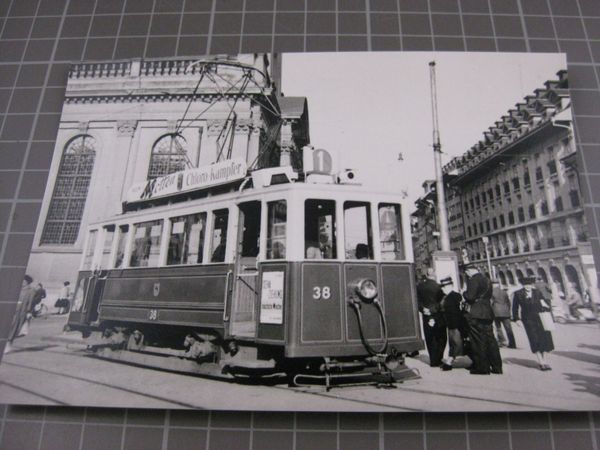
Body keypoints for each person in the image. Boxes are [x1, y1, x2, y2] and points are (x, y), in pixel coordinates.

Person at [462, 264, 502, 375]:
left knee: (477, 341)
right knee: (490, 340)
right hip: (488, 312)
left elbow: (470, 296)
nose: (467, 275)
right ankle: (497, 367)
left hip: (476, 313)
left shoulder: (473, 280)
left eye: (467, 272)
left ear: (469, 271)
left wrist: (464, 293)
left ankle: (482, 368)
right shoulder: (487, 279)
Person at [512, 276, 554, 371]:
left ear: (532, 285)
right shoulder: (518, 294)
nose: (528, 286)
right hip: (528, 320)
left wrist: (546, 307)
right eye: (526, 285)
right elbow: (515, 308)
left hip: (540, 318)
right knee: (534, 339)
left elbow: (545, 303)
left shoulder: (537, 292)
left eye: (529, 284)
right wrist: (516, 319)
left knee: (544, 338)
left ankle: (545, 361)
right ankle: (541, 362)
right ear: (523, 285)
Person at [416, 268, 447, 367]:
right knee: (441, 337)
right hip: (438, 314)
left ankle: (433, 360)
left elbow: (417, 300)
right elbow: (442, 302)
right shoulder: (439, 287)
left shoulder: (420, 286)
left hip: (426, 315)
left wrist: (422, 309)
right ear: (434, 274)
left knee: (430, 337)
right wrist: (433, 309)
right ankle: (439, 358)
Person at [439, 277, 468, 371]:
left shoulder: (455, 296)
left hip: (456, 324)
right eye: (442, 287)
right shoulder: (446, 297)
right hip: (450, 324)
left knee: (456, 343)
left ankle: (449, 361)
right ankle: (450, 361)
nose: (442, 288)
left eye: (444, 287)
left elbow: (460, 311)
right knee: (454, 343)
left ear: (450, 286)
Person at [5, 275, 36, 353]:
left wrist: (29, 311)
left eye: (24, 281)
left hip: (21, 312)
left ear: (27, 282)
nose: (22, 282)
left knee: (14, 328)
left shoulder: (31, 290)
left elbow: (31, 302)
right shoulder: (18, 288)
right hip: (12, 310)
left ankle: (8, 345)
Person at [490, 280, 516, 349]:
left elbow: (491, 303)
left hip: (496, 312)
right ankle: (512, 343)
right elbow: (508, 302)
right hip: (505, 312)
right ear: (498, 284)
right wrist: (508, 310)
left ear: (492, 285)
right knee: (508, 328)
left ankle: (502, 341)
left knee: (498, 327)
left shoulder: (491, 292)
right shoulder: (504, 292)